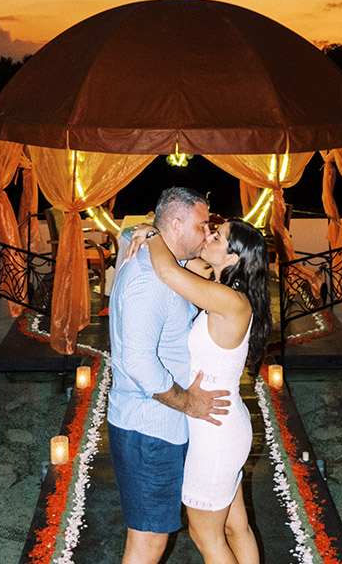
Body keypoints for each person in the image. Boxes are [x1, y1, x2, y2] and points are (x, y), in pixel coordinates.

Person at [128, 215, 272, 564]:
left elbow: (168, 274)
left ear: (234, 258)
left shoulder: (230, 301)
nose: (208, 236)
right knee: (236, 529)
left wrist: (151, 232)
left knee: (206, 536)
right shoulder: (227, 294)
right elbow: (186, 270)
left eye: (218, 237)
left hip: (214, 435)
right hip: (223, 425)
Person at [107, 187, 231, 564]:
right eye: (201, 224)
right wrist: (188, 402)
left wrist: (143, 230)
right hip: (148, 431)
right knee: (149, 542)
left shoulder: (163, 264)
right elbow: (139, 363)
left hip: (159, 428)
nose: (206, 232)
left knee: (149, 538)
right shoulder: (149, 278)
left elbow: (128, 235)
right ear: (175, 224)